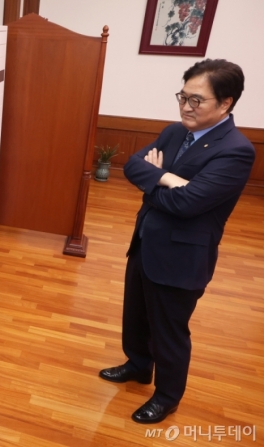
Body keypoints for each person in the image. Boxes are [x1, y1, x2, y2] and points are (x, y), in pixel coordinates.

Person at [99, 59, 255, 424]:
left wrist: (154, 178)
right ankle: (139, 365)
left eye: (196, 100)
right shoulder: (174, 132)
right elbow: (132, 165)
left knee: (169, 331)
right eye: (182, 97)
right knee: (136, 314)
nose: (186, 106)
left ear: (226, 103)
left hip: (182, 256)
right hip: (146, 241)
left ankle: (167, 396)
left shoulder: (235, 150)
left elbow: (188, 204)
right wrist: (168, 178)